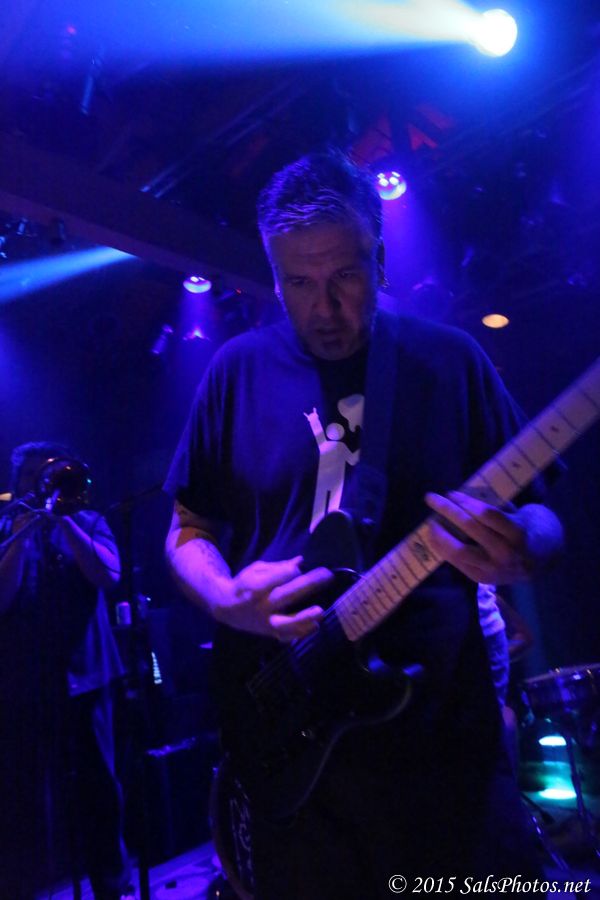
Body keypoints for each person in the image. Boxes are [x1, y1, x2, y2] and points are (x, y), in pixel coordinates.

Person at [165, 150, 563, 899]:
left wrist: (526, 549)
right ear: (273, 273)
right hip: (295, 751)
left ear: (378, 257)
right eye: (298, 283)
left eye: (345, 275)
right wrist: (224, 597)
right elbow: (188, 526)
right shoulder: (234, 372)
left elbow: (541, 509)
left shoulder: (449, 361)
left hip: (444, 743)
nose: (325, 308)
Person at [0, 442, 132, 900]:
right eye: (32, 476)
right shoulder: (7, 528)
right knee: (29, 799)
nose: (42, 483)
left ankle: (112, 888)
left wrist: (65, 521)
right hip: (26, 685)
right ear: (18, 482)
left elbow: (110, 575)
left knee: (101, 791)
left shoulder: (88, 520)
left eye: (50, 473)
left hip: (88, 676)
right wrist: (21, 535)